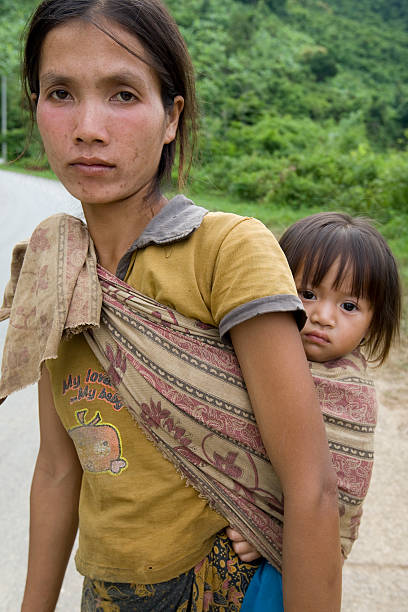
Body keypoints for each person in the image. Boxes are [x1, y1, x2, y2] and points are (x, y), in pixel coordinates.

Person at [0, 1, 342, 610]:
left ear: (171, 117)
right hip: (105, 591)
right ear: (36, 110)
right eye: (60, 93)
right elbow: (57, 470)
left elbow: (311, 488)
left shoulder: (225, 252)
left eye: (124, 95)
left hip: (219, 587)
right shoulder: (57, 268)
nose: (88, 127)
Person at [239, 211, 402, 611]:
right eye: (307, 294)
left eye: (348, 305)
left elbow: (338, 496)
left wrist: (268, 531)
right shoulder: (254, 354)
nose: (322, 317)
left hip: (291, 563)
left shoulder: (350, 396)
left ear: (373, 320)